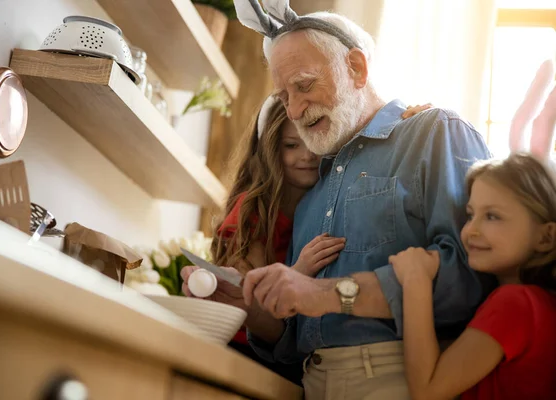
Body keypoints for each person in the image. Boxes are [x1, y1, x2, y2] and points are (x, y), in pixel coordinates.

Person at [229, 2, 493, 398]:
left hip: (400, 378)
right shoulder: (309, 198)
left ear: (356, 67)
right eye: (284, 97)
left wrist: (323, 294)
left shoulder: (436, 133)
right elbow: (290, 348)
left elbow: (470, 279)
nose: (296, 111)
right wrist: (253, 308)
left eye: (304, 85)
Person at [184, 95, 431, 385]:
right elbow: (250, 291)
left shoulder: (328, 197)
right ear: (268, 150)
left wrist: (406, 119)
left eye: (313, 142)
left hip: (299, 355)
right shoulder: (254, 209)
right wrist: (298, 272)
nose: (307, 156)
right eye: (291, 145)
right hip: (247, 348)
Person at [389, 61, 556, 400]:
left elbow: (427, 391)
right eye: (470, 214)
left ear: (545, 237)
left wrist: (417, 282)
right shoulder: (537, 303)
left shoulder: (515, 303)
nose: (471, 231)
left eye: (493, 217)